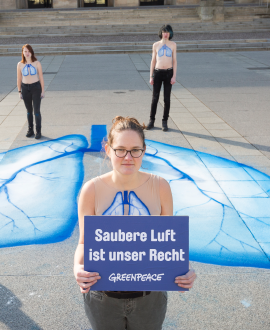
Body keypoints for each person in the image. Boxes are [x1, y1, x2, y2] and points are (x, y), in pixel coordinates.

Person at [73, 116, 196, 330]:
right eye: (120, 149)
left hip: (150, 299)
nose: (128, 157)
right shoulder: (91, 190)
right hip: (103, 298)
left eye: (135, 150)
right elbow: (84, 243)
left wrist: (184, 269)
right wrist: (77, 268)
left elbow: (168, 242)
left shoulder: (161, 187)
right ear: (108, 149)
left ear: (144, 150)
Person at [147, 25, 177, 132]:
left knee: (167, 99)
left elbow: (174, 61)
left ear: (170, 34)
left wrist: (174, 76)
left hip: (168, 73)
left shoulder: (173, 45)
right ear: (161, 33)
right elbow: (153, 61)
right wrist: (151, 76)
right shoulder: (156, 45)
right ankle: (151, 120)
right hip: (158, 72)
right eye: (164, 32)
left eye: (167, 32)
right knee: (155, 98)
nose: (166, 34)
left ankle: (165, 122)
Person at [17, 44, 45, 139]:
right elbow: (19, 78)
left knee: (36, 111)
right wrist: (19, 91)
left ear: (31, 52)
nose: (27, 53)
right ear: (23, 53)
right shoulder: (20, 64)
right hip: (25, 88)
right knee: (29, 111)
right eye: (25, 51)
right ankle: (30, 130)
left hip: (36, 88)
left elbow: (41, 77)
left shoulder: (37, 63)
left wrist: (43, 90)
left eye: (28, 51)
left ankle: (38, 131)